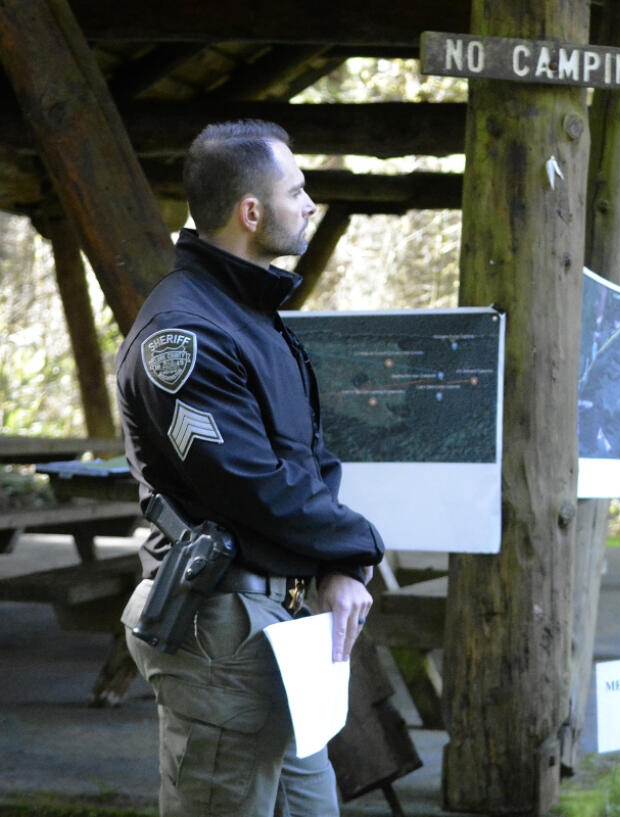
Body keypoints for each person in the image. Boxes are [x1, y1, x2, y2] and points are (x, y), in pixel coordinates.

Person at [116, 120, 385, 817]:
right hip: (222, 630)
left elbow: (307, 461)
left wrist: (338, 567)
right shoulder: (185, 335)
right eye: (297, 190)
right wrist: (359, 546)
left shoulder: (251, 316)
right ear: (251, 212)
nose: (310, 203)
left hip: (284, 631)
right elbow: (250, 485)